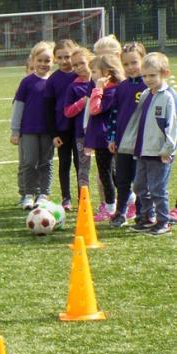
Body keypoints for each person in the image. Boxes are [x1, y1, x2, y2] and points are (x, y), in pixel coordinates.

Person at [118, 52, 177, 235]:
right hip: (142, 150)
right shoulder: (145, 94)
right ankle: (147, 218)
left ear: (164, 73)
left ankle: (163, 222)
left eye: (152, 75)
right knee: (139, 186)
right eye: (144, 76)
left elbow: (172, 125)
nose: (148, 79)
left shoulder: (168, 97)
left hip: (160, 152)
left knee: (157, 189)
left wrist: (168, 149)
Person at [11, 41, 54, 210]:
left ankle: (43, 194)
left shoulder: (54, 82)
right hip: (28, 130)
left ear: (53, 61)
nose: (43, 64)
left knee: (46, 162)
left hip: (48, 131)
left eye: (47, 60)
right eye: (40, 60)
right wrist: (15, 131)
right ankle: (28, 194)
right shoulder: (27, 82)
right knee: (29, 162)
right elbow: (18, 107)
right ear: (33, 61)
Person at [107, 41, 147, 228]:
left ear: (143, 60)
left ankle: (141, 213)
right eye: (126, 64)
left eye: (134, 62)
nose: (130, 67)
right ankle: (121, 212)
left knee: (140, 181)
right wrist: (112, 137)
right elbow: (114, 114)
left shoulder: (149, 86)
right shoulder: (121, 87)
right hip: (122, 143)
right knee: (122, 180)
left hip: (142, 144)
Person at [86, 54, 124, 221]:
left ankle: (110, 206)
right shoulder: (113, 89)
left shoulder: (110, 91)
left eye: (94, 72)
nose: (92, 76)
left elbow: (94, 109)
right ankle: (125, 199)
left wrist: (98, 89)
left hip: (104, 138)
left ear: (106, 73)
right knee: (111, 171)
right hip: (105, 137)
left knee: (105, 172)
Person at [45, 39, 80, 211]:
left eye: (68, 56)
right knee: (64, 163)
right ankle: (66, 198)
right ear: (55, 59)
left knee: (81, 164)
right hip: (62, 129)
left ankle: (83, 196)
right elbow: (48, 108)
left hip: (80, 129)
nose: (64, 61)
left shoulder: (81, 76)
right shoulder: (53, 80)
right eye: (60, 57)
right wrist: (54, 134)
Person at [63, 48, 96, 198]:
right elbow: (67, 112)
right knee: (83, 167)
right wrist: (83, 101)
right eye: (75, 65)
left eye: (81, 63)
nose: (78, 68)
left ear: (90, 61)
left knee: (108, 167)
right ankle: (84, 199)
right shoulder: (73, 87)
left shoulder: (100, 82)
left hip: (102, 133)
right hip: (82, 134)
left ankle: (111, 201)